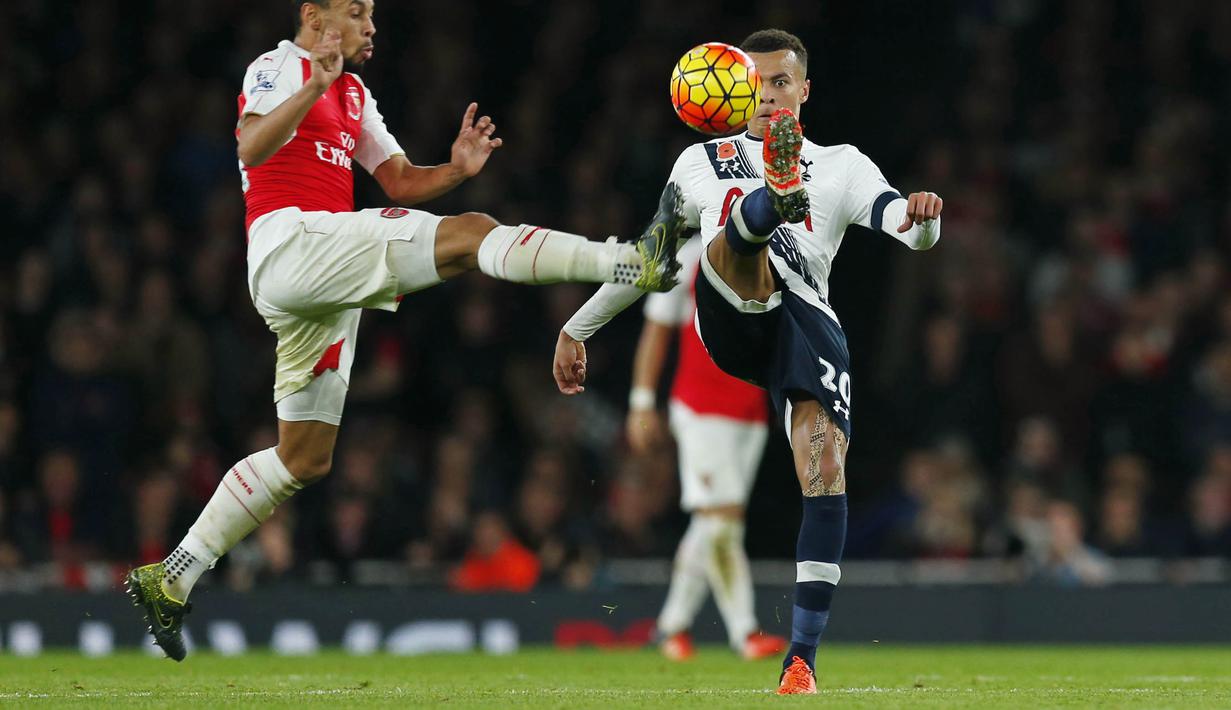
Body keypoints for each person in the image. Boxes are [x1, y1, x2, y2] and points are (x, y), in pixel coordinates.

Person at [125, 0, 684, 662]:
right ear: (314, 16)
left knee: (304, 457)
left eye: (371, 14)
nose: (371, 25)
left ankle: (173, 575)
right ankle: (628, 260)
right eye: (357, 12)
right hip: (290, 241)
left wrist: (455, 169)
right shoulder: (279, 66)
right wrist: (310, 87)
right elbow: (251, 146)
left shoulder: (354, 92)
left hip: (321, 277)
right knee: (472, 233)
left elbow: (396, 179)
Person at [552, 29, 943, 694]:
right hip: (730, 311)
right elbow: (649, 259)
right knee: (731, 253)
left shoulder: (843, 165)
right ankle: (765, 207)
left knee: (823, 467)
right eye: (754, 85)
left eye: (780, 83)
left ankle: (801, 661)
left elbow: (906, 229)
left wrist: (925, 218)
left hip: (805, 325)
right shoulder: (699, 163)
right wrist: (576, 327)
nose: (766, 96)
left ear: (804, 90)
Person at [627, 238, 785, 661]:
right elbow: (657, 327)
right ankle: (744, 632)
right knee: (722, 520)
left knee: (711, 522)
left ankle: (669, 628)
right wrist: (641, 402)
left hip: (750, 410)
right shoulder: (689, 255)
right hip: (700, 407)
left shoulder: (776, 250)